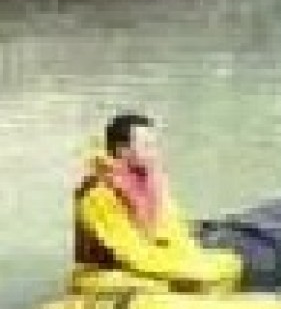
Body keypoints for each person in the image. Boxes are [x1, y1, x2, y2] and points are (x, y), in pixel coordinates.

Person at [71, 112, 241, 293]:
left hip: (147, 257)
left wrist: (192, 259)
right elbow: (129, 251)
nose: (154, 152)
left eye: (154, 145)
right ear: (123, 150)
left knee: (228, 263)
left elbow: (174, 232)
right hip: (107, 270)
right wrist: (184, 269)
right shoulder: (98, 192)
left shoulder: (151, 183)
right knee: (161, 286)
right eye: (147, 146)